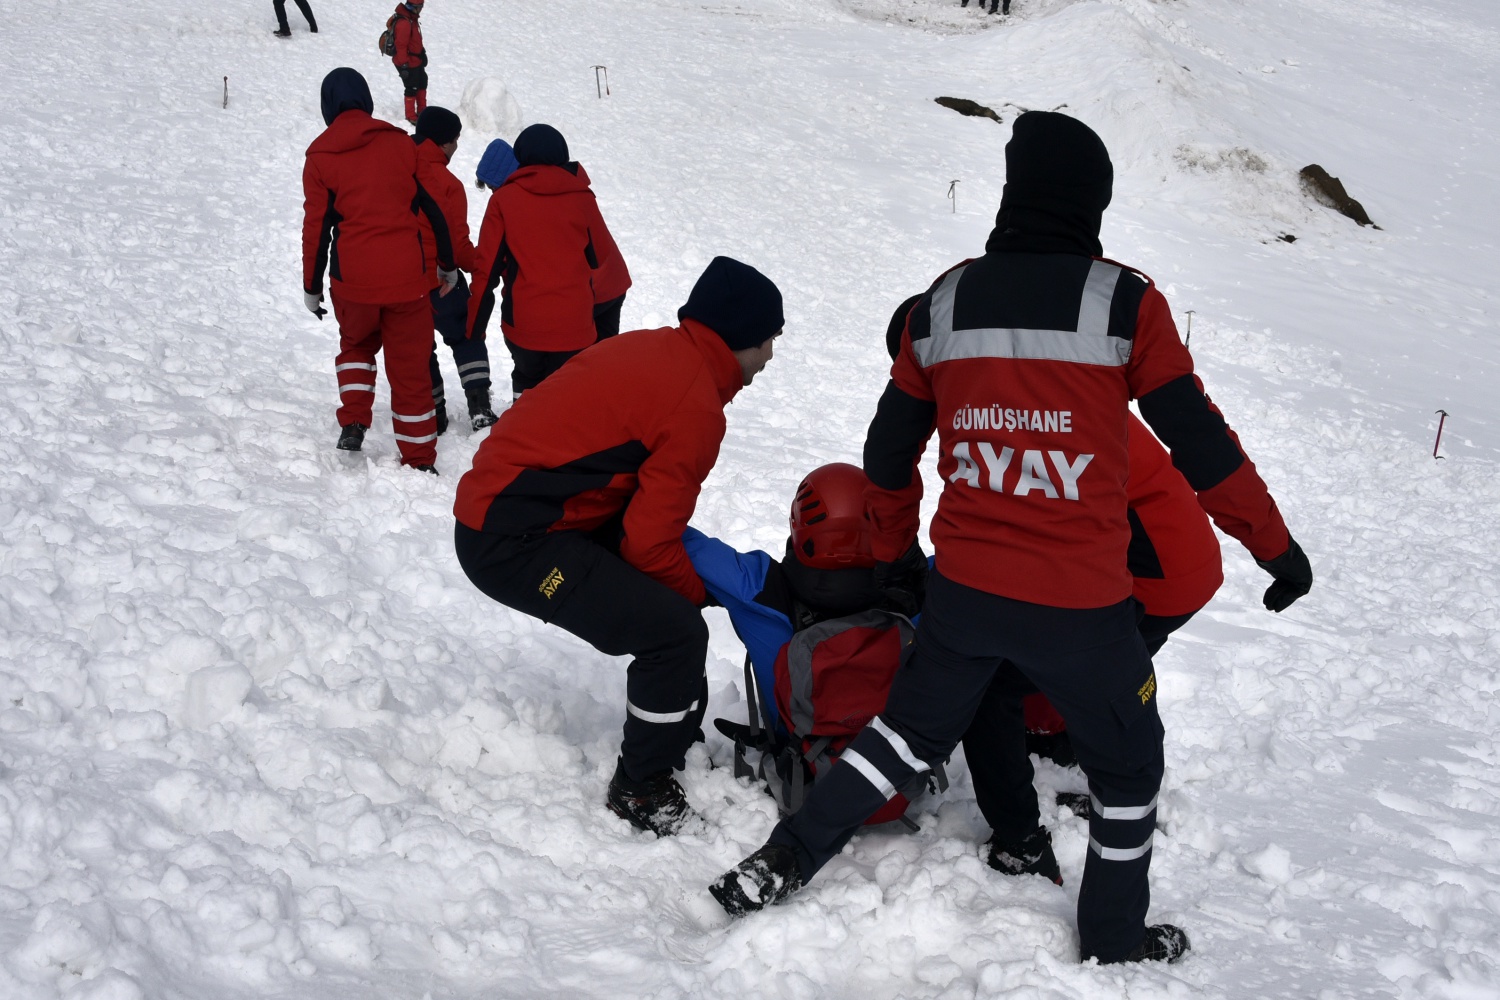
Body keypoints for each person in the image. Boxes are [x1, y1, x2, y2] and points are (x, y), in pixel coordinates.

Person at [710, 112, 1313, 966]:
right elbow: (1199, 441)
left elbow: (888, 453)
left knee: (901, 738)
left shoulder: (943, 300)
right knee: (1129, 770)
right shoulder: (1124, 301)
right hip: (1083, 607)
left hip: (965, 595)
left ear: (1011, 191)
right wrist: (1274, 548)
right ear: (1090, 200)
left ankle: (788, 856)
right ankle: (1110, 939)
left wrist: (893, 553)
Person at [452, 256, 784, 836]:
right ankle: (640, 786)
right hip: (511, 542)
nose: (770, 357)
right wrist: (691, 595)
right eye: (767, 341)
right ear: (737, 339)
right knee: (674, 632)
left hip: (532, 511)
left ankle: (673, 730)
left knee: (679, 588)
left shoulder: (660, 351)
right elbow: (651, 545)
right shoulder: (693, 405)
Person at [301, 67, 456, 473]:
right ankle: (420, 459)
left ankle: (353, 419)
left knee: (356, 344)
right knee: (410, 370)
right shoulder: (400, 145)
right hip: (408, 280)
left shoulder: (319, 156)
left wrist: (311, 287)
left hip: (353, 279)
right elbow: (433, 210)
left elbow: (316, 229)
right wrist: (447, 265)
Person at [467, 124, 632, 398]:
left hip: (526, 326)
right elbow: (599, 256)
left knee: (528, 386)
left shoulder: (504, 201)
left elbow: (486, 270)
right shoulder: (581, 196)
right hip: (578, 323)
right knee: (578, 386)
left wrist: (474, 328)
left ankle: (525, 432)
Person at [411, 107, 498, 434]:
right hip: (443, 282)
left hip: (404, 283)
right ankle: (479, 407)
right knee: (466, 335)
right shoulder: (447, 183)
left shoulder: (396, 171)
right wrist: (486, 263)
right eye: (456, 139)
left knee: (419, 347)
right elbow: (458, 246)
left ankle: (433, 412)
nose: (458, 146)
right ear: (445, 143)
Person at [389, 1, 428, 125]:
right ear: (415, 8)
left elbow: (415, 40)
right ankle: (411, 116)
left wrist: (422, 53)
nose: (422, 9)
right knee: (412, 87)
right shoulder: (405, 23)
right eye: (420, 7)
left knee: (422, 81)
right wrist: (404, 65)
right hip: (407, 61)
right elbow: (401, 46)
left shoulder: (412, 19)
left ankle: (422, 111)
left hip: (416, 59)